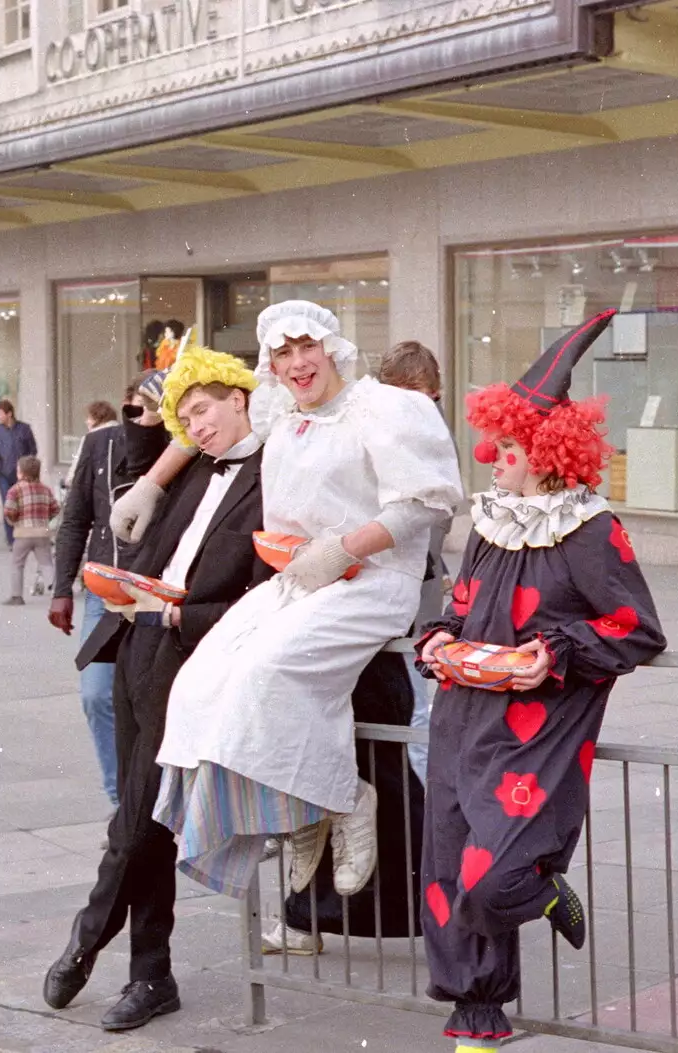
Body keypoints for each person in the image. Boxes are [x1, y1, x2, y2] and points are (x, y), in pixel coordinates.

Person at [147, 300, 461, 911]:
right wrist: (150, 483)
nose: (297, 363)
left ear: (330, 347)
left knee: (270, 669)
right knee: (202, 676)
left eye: (304, 348)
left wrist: (344, 548)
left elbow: (427, 503)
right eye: (282, 354)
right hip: (305, 577)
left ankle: (341, 800)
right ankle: (298, 811)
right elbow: (210, 425)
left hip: (373, 580)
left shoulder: (383, 408)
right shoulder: (285, 420)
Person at [414, 310, 667, 1049]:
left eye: (510, 443)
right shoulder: (492, 523)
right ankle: (478, 1020)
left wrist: (551, 651)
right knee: (450, 877)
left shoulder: (590, 530)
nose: (492, 453)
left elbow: (637, 627)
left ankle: (547, 889)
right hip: (462, 720)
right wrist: (438, 641)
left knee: (496, 879)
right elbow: (460, 611)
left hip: (535, 731)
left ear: (549, 451)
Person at [43, 345, 272, 1032]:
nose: (196, 427)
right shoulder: (190, 464)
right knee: (140, 818)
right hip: (136, 641)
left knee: (137, 817)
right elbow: (138, 443)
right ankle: (151, 974)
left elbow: (268, 593)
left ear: (240, 397)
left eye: (204, 410)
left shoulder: (275, 471)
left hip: (192, 654)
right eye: (187, 418)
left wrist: (183, 613)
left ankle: (89, 942)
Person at [377, 339, 453, 786]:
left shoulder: (430, 438)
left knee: (417, 709)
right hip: (402, 584)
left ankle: (427, 812)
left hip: (413, 589)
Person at [51, 400, 128, 811]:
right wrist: (62, 587)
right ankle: (120, 803)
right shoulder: (99, 445)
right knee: (96, 693)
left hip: (160, 594)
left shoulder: (184, 443)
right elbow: (75, 519)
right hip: (105, 591)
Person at [4, 456, 58, 606]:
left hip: (23, 533)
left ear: (21, 473)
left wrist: (13, 521)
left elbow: (9, 510)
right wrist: (46, 519)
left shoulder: (15, 490)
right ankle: (56, 591)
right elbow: (55, 508)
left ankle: (16, 596)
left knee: (17, 563)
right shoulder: (46, 489)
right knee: (46, 562)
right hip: (42, 532)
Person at [0, 399, 37, 546]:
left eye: (0, 414)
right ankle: (11, 539)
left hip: (23, 475)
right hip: (4, 475)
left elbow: (33, 449)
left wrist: (28, 465)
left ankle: (23, 535)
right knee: (8, 505)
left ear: (9, 414)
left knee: (23, 506)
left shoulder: (24, 429)